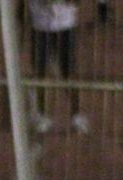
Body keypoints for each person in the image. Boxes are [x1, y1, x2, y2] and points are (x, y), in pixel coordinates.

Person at [28, 0, 88, 134]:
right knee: (40, 71)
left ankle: (77, 116)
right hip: (40, 23)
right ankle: (41, 115)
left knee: (69, 71)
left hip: (65, 22)